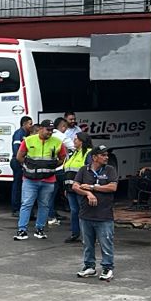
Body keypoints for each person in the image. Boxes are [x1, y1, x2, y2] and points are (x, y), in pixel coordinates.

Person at [71, 145, 118, 282]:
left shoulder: (110, 170)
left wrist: (92, 187)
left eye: (106, 155)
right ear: (94, 157)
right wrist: (88, 193)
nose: (106, 157)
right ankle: (89, 266)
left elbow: (112, 187)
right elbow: (75, 186)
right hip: (86, 214)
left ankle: (107, 268)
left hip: (104, 215)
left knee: (106, 243)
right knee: (87, 243)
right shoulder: (83, 170)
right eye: (103, 155)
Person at [14, 121, 67, 241]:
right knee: (27, 204)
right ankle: (22, 230)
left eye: (51, 130)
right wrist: (29, 167)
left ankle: (40, 229)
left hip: (48, 179)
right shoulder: (29, 140)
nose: (49, 132)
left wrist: (51, 166)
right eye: (47, 130)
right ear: (40, 129)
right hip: (30, 179)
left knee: (44, 205)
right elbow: (19, 157)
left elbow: (63, 157)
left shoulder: (57, 142)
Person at [60, 132, 92, 243]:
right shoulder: (74, 153)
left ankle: (86, 236)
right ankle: (75, 234)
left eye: (76, 139)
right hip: (70, 189)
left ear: (82, 141)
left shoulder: (88, 153)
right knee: (74, 212)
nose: (74, 141)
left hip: (81, 189)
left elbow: (89, 172)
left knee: (83, 212)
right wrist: (66, 188)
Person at [9, 116, 34, 215]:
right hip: (17, 161)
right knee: (18, 185)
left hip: (21, 161)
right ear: (24, 124)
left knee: (22, 186)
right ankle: (15, 209)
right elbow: (16, 149)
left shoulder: (26, 134)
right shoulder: (19, 134)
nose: (31, 126)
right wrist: (21, 161)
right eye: (30, 124)